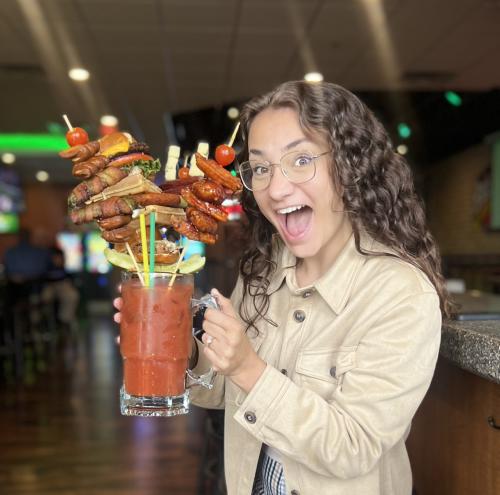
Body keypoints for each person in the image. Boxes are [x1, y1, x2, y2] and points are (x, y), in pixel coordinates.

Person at [115, 81, 450, 495]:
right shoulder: (265, 270)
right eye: (260, 167)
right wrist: (179, 345)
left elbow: (354, 448)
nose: (275, 188)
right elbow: (221, 390)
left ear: (350, 166)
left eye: (301, 159)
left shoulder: (400, 294)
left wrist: (247, 367)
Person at [40, 246, 79, 328]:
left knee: (72, 295)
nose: (57, 260)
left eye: (59, 257)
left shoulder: (66, 270)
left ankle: (64, 321)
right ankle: (46, 321)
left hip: (63, 285)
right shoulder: (45, 269)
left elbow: (70, 281)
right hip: (49, 287)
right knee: (45, 298)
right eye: (55, 258)